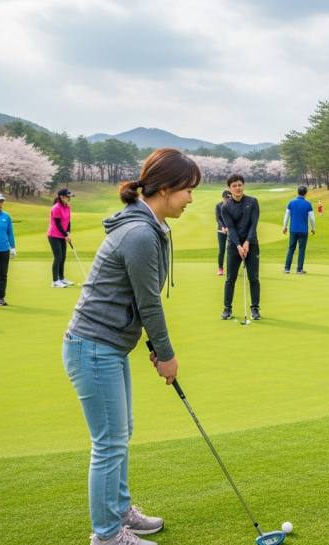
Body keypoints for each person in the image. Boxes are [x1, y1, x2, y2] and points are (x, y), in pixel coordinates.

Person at [64, 148, 199, 545]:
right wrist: (167, 353)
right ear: (166, 188)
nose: (191, 198)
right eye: (188, 190)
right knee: (108, 442)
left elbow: (138, 300)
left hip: (107, 345)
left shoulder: (148, 226)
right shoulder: (141, 233)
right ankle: (107, 536)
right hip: (93, 346)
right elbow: (148, 302)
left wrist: (155, 346)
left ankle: (120, 512)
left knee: (120, 433)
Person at [220, 175, 261, 320]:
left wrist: (248, 242)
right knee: (230, 278)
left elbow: (253, 224)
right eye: (234, 186)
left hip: (252, 244)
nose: (237, 188)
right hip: (233, 246)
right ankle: (227, 308)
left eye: (240, 185)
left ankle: (255, 309)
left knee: (253, 278)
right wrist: (238, 245)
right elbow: (230, 228)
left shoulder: (253, 202)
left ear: (243, 185)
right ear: (230, 189)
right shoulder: (225, 207)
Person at [282, 185, 316, 274]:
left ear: (298, 192)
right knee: (301, 250)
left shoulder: (291, 203)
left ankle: (287, 268)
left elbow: (286, 217)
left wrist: (284, 227)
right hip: (303, 230)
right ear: (305, 193)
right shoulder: (308, 204)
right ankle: (299, 269)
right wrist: (313, 228)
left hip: (293, 230)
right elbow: (312, 219)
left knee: (291, 249)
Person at [49, 188, 75, 288]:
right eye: (67, 196)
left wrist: (68, 233)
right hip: (54, 235)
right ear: (61, 197)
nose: (69, 198)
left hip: (62, 234)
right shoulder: (56, 208)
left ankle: (61, 278)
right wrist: (65, 235)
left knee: (63, 256)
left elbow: (68, 221)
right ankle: (55, 281)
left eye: (69, 196)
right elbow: (58, 224)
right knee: (58, 256)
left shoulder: (67, 207)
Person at [215, 190, 231, 276]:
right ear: (223, 198)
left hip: (231, 230)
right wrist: (224, 227)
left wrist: (230, 227)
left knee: (230, 250)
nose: (227, 200)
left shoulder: (232, 205)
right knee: (222, 250)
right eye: (226, 198)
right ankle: (220, 268)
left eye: (229, 198)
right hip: (221, 230)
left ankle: (230, 268)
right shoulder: (218, 206)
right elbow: (218, 218)